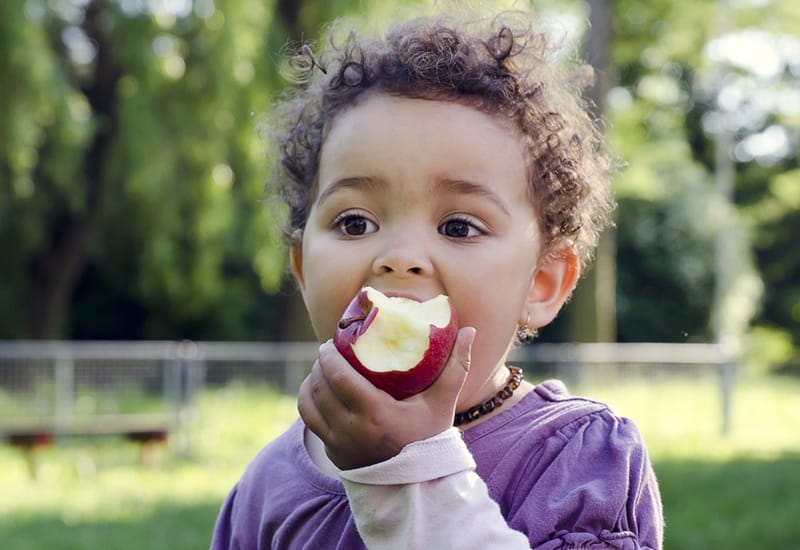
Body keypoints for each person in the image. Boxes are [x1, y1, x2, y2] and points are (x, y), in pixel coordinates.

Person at [212, 6, 663, 550]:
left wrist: (407, 473)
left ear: (542, 283)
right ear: (304, 269)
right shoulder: (268, 486)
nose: (400, 258)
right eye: (355, 222)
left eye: (458, 225)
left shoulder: (577, 459)